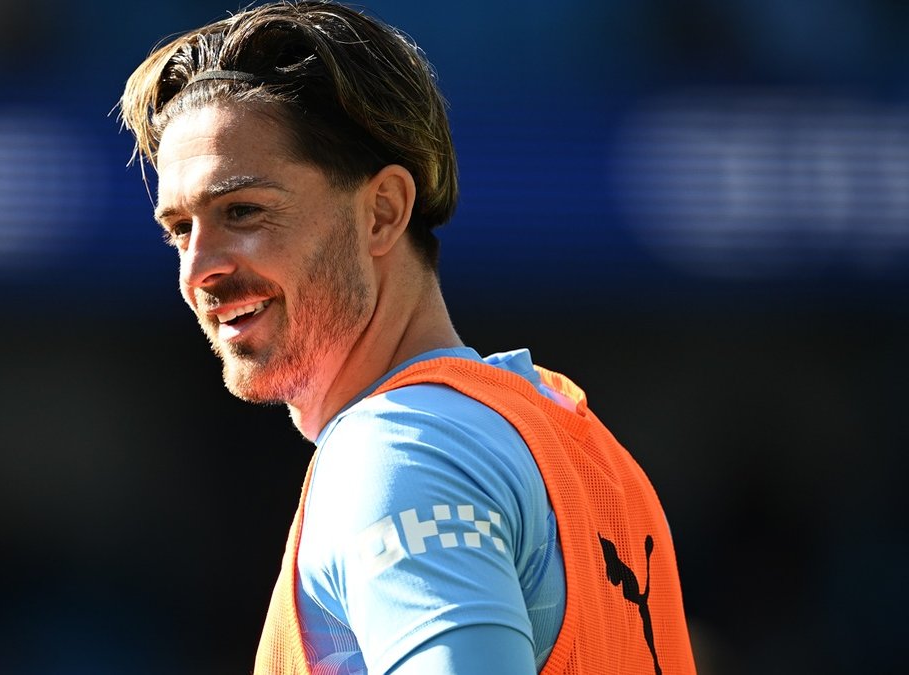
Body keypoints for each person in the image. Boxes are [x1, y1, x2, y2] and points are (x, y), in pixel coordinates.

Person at [119, 2, 696, 673]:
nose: (198, 269)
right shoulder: (572, 441)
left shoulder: (400, 453)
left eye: (242, 211)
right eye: (180, 230)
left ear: (383, 212)